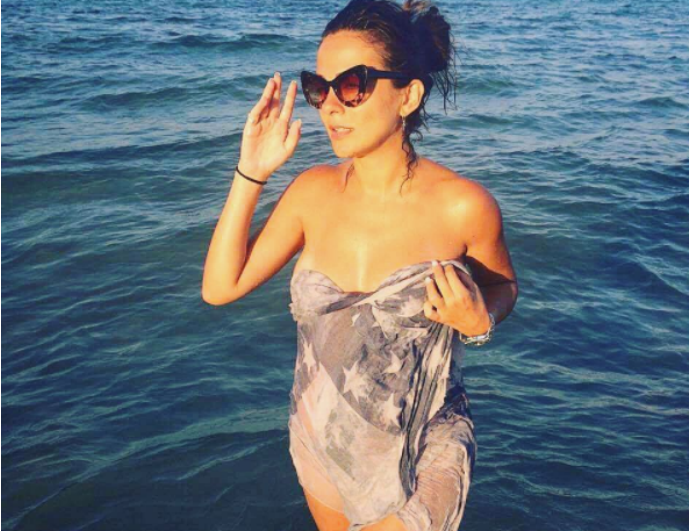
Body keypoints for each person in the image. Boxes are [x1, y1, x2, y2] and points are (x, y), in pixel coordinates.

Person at [202, 0, 518, 529]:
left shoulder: (463, 206)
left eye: (352, 85)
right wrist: (251, 172)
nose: (330, 106)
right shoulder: (311, 193)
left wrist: (480, 321)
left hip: (423, 445)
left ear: (407, 96)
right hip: (321, 438)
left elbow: (503, 286)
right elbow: (220, 287)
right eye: (319, 87)